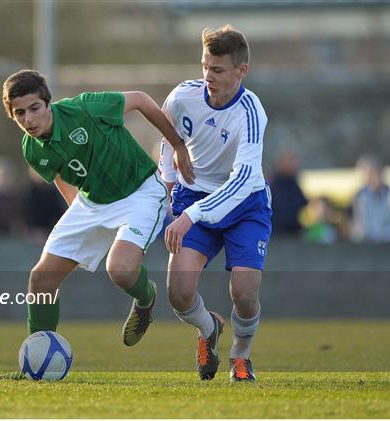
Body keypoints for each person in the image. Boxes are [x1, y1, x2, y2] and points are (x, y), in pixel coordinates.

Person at [0, 69, 193, 380]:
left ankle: (146, 297)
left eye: (34, 108)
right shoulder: (31, 148)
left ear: (48, 103)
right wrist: (78, 214)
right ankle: (33, 363)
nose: (29, 119)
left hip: (140, 192)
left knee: (121, 270)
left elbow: (141, 100)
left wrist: (178, 146)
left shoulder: (86, 107)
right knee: (41, 280)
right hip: (92, 203)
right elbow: (61, 176)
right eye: (19, 113)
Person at [159, 25, 271, 382]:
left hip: (245, 204)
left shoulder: (251, 113)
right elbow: (166, 131)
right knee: (179, 292)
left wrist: (189, 216)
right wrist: (169, 182)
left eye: (217, 70)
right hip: (195, 196)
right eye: (205, 66)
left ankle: (240, 356)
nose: (208, 76)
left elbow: (240, 181)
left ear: (242, 71)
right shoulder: (182, 96)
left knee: (244, 293)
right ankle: (209, 329)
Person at [269, 151, 308, 236]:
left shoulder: (294, 184)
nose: (295, 164)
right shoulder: (274, 185)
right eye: (291, 161)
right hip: (277, 234)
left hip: (294, 233)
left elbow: (303, 204)